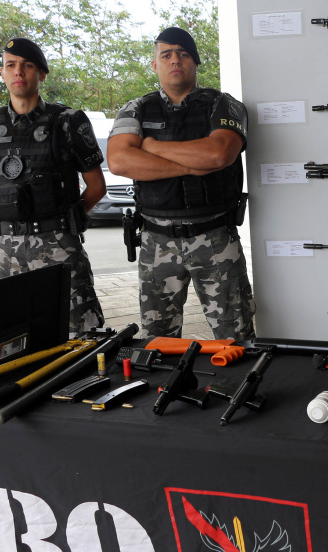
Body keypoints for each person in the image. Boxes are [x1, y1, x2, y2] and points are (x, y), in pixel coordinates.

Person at [107, 27, 255, 341]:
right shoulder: (136, 109)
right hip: (156, 241)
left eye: (183, 54)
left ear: (195, 62)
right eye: (166, 54)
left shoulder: (223, 104)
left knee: (236, 337)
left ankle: (239, 389)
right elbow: (120, 161)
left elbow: (218, 154)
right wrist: (192, 163)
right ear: (155, 65)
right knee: (156, 342)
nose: (175, 60)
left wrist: (152, 147)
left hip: (215, 238)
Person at [0, 38, 105, 337]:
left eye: (27, 65)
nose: (18, 72)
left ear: (41, 74)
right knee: (14, 338)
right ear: (3, 73)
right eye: (11, 65)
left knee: (79, 336)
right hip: (9, 251)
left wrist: (67, 219)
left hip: (59, 244)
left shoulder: (68, 120)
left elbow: (96, 186)